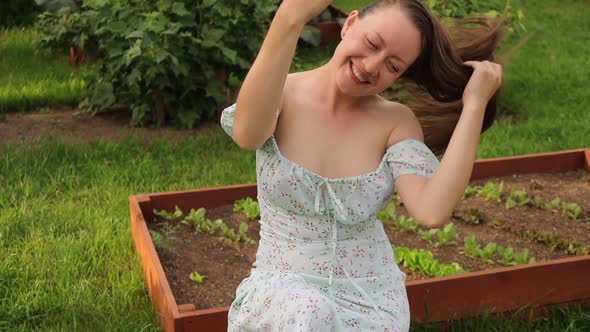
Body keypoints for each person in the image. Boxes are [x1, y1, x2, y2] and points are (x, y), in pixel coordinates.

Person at [220, 0, 503, 330]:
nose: (371, 66)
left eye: (393, 66)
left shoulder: (395, 121)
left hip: (370, 297)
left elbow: (432, 210)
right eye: (372, 44)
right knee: (312, 312)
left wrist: (475, 105)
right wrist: (290, 18)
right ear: (349, 23)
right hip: (283, 292)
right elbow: (247, 135)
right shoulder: (281, 94)